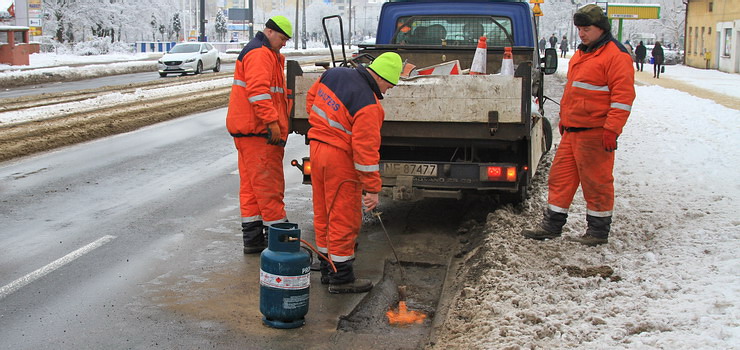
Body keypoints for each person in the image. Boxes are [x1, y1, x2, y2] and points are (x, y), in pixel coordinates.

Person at [521, 4, 635, 246]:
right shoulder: (583, 53)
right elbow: (574, 92)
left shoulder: (616, 56)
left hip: (596, 133)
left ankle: (598, 231)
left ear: (601, 29)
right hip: (573, 131)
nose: (582, 34)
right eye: (579, 29)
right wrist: (564, 119)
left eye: (586, 29)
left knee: (597, 182)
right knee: (560, 179)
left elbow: (623, 98)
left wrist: (612, 130)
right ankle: (552, 226)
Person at [305, 52, 403, 293]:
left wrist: (325, 128)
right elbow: (366, 153)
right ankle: (341, 278)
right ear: (381, 77)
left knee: (324, 211)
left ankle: (327, 268)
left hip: (317, 150)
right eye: (389, 85)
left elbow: (310, 99)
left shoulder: (334, 74)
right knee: (343, 216)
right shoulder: (369, 106)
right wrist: (372, 188)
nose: (387, 91)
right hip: (340, 160)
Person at [225, 16, 293, 254]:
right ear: (270, 32)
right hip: (259, 132)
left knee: (252, 188)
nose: (284, 44)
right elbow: (259, 93)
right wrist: (272, 123)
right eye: (283, 39)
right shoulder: (260, 54)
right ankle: (281, 242)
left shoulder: (263, 53)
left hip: (249, 131)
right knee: (269, 185)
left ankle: (253, 239)